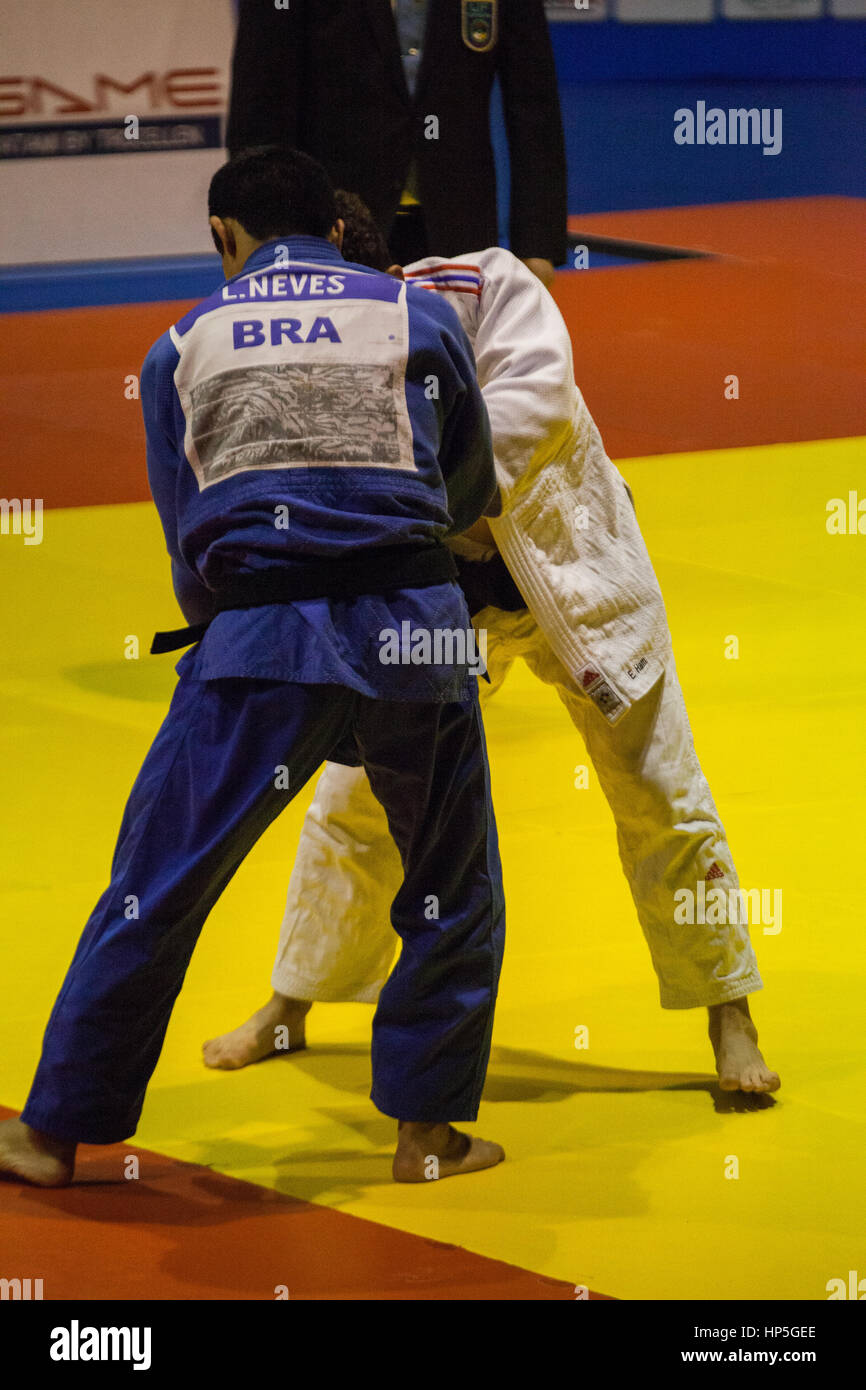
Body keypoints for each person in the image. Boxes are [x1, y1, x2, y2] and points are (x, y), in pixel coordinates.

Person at [0, 147, 508, 1190]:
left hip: (258, 641)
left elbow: (188, 538)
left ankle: (51, 1134)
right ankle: (426, 1136)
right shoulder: (420, 319)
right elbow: (465, 489)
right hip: (415, 629)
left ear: (226, 239)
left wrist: (237, 630)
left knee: (155, 888)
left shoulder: (179, 345)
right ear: (337, 222)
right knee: (450, 887)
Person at [203, 191, 780, 1096]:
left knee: (660, 790)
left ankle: (730, 1011)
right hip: (441, 603)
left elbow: (535, 414)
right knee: (354, 800)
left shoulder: (488, 286)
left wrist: (389, 488)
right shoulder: (316, 346)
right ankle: (294, 1002)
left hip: (577, 581)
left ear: (355, 249)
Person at [226, 0, 567, 284]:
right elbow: (259, 104)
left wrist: (538, 244)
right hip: (330, 228)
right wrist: (261, 237)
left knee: (456, 362)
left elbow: (533, 103)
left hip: (459, 227)